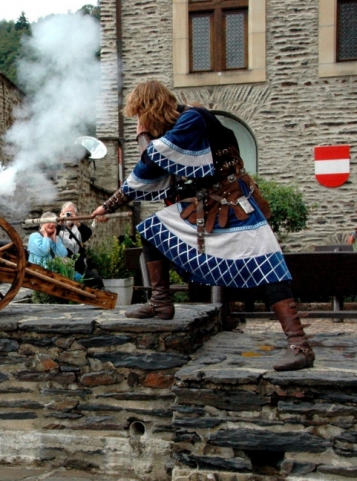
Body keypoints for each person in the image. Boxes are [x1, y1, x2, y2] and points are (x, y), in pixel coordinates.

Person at [91, 80, 314, 372]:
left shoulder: (192, 118)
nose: (140, 123)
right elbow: (143, 174)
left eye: (141, 115)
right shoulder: (176, 130)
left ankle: (299, 345)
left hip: (235, 204)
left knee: (268, 267)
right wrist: (106, 207)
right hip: (207, 206)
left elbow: (153, 158)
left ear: (151, 109)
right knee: (152, 230)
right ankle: (161, 303)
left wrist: (142, 135)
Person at [57, 202, 104, 290]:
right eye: (66, 212)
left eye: (71, 213)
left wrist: (76, 221)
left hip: (80, 267)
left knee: (97, 281)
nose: (68, 215)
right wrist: (60, 221)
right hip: (64, 266)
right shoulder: (58, 228)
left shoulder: (78, 228)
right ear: (61, 213)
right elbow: (53, 235)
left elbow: (88, 233)